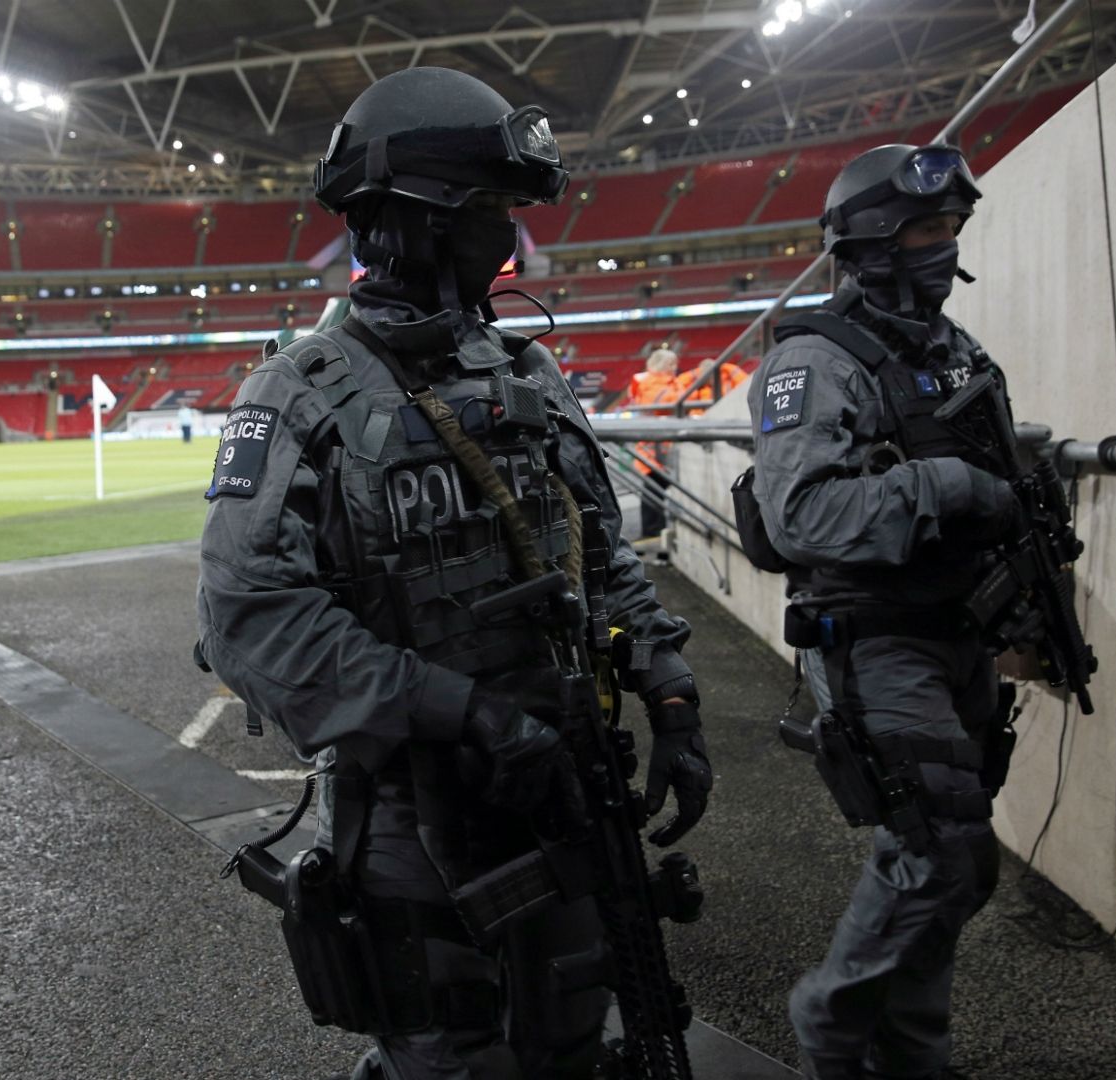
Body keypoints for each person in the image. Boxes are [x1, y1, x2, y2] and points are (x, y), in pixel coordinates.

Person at [197, 67, 712, 1080]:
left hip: (564, 789)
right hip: (415, 824)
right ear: (406, 224)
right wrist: (465, 714)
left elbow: (598, 551)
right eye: (485, 210)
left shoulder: (528, 376)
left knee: (575, 1046)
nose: (506, 236)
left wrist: (671, 687)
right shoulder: (299, 395)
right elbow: (250, 621)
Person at [747, 144, 1021, 1080]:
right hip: (873, 636)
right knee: (943, 851)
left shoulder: (959, 354)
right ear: (871, 244)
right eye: (924, 229)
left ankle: (910, 1057)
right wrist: (948, 487)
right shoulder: (814, 361)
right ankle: (831, 1024)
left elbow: (1004, 486)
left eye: (951, 227)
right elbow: (803, 515)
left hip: (960, 629)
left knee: (946, 862)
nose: (945, 246)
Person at [629, 347, 679, 539]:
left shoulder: (662, 382)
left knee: (656, 491)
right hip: (654, 450)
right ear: (660, 364)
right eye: (670, 364)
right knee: (654, 491)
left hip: (659, 448)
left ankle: (655, 531)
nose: (674, 368)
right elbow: (669, 402)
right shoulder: (651, 384)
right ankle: (652, 533)